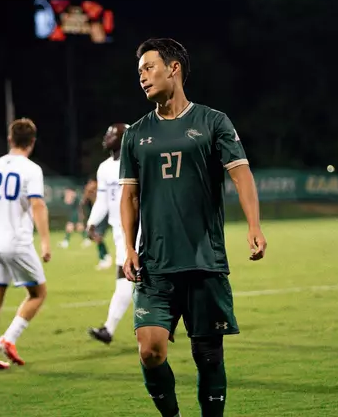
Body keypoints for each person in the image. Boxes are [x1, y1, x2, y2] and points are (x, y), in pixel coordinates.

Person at [119, 38, 267, 417]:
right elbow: (130, 198)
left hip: (204, 261)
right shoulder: (135, 134)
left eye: (149, 67)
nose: (142, 77)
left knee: (208, 358)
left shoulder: (213, 122)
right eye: (139, 72)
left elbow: (241, 175)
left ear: (174, 68)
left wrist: (254, 225)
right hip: (155, 265)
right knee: (150, 350)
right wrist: (129, 247)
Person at [0, 118, 51, 372]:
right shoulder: (31, 169)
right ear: (32, 142)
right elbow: (38, 205)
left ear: (10, 139)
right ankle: (9, 338)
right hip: (15, 241)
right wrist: (45, 242)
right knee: (38, 293)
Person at [87, 123, 134, 344]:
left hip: (139, 228)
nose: (106, 137)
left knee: (125, 277)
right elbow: (103, 201)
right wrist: (92, 222)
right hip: (119, 230)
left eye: (111, 134)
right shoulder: (104, 167)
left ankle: (109, 329)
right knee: (133, 278)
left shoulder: (137, 160)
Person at [83, 178, 113, 269]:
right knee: (96, 237)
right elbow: (84, 202)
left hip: (103, 216)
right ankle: (104, 257)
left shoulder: (101, 192)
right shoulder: (90, 195)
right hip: (96, 216)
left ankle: (105, 258)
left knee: (98, 237)